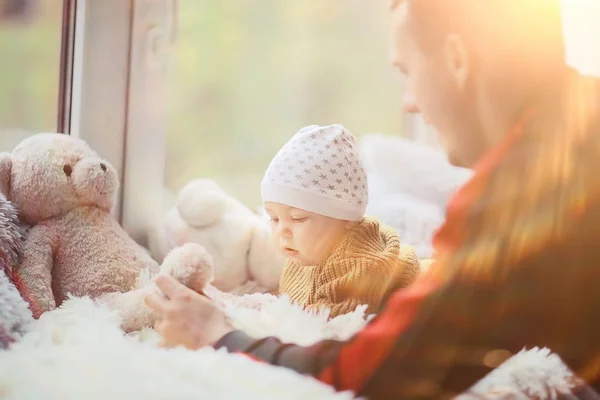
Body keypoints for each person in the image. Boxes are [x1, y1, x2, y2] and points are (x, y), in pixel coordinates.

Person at [145, 0, 600, 398]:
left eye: (406, 71)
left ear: (458, 59)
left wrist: (219, 334)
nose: (409, 103)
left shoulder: (522, 197)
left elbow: (375, 372)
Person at [263, 123, 420, 318]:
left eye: (298, 218)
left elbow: (337, 321)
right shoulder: (301, 254)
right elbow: (292, 301)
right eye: (274, 218)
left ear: (347, 217)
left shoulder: (362, 264)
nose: (282, 231)